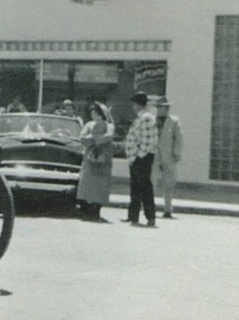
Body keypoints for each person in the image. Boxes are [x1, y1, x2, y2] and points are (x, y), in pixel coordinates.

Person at [123, 91, 159, 227]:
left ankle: (150, 217)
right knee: (136, 187)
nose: (133, 106)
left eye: (134, 103)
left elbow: (148, 140)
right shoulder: (141, 117)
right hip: (136, 158)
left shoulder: (146, 117)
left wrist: (139, 157)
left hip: (142, 158)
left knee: (144, 187)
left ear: (138, 104)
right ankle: (133, 216)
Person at [76, 102, 115, 223]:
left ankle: (96, 211)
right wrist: (97, 138)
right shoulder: (88, 124)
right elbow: (82, 138)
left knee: (100, 186)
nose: (92, 114)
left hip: (103, 161)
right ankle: (86, 211)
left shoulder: (109, 125)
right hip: (89, 159)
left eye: (95, 111)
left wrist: (92, 139)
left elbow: (109, 136)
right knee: (87, 184)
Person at [151, 96, 183, 219]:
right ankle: (150, 208)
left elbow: (178, 139)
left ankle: (168, 209)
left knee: (169, 183)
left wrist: (177, 153)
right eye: (158, 107)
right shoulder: (152, 120)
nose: (160, 110)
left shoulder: (174, 121)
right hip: (154, 155)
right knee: (152, 181)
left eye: (162, 107)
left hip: (168, 156)